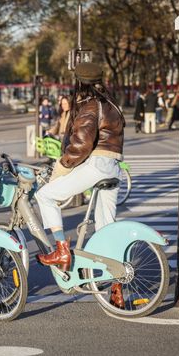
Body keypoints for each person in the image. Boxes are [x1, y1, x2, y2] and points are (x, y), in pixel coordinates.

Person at [34, 62, 126, 309]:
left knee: (45, 195)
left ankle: (61, 249)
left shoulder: (90, 106)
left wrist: (62, 166)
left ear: (80, 82)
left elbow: (81, 144)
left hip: (96, 165)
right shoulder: (112, 104)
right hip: (114, 166)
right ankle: (117, 288)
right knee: (107, 227)